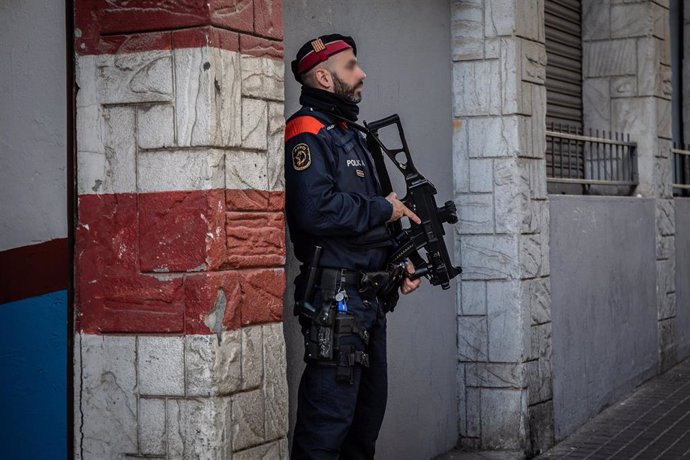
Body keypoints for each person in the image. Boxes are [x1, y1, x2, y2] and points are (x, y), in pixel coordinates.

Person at [285, 34, 422, 459]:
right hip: (336, 300)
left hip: (369, 300)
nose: (361, 74)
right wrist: (383, 209)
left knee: (364, 426)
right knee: (326, 429)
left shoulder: (354, 134)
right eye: (351, 67)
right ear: (324, 77)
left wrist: (402, 260)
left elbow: (383, 209)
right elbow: (315, 211)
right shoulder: (307, 131)